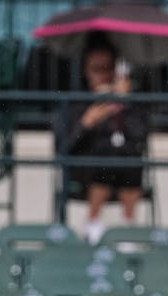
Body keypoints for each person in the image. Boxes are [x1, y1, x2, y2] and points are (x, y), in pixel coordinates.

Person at [58, 33, 149, 245]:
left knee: (127, 155)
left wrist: (123, 104)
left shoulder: (129, 105)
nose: (104, 76)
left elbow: (141, 136)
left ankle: (128, 224)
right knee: (106, 153)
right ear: (86, 71)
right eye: (97, 70)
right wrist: (86, 123)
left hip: (125, 168)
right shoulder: (75, 105)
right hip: (84, 172)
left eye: (108, 69)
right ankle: (93, 222)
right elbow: (63, 147)